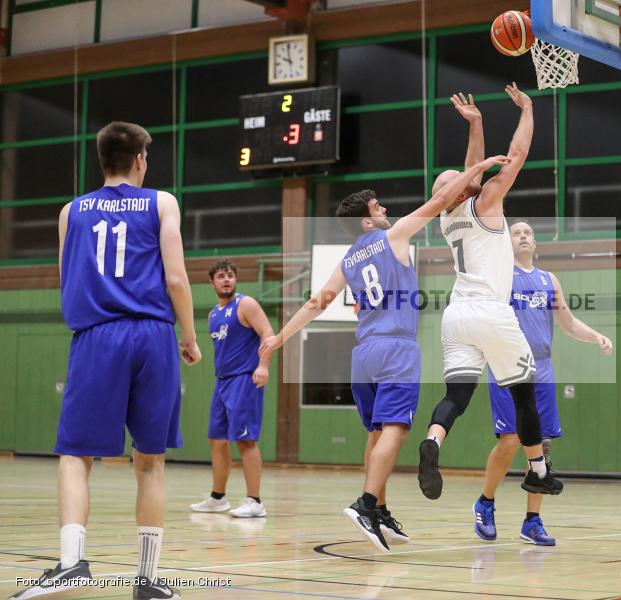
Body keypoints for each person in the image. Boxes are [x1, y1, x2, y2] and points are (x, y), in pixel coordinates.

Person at [259, 155, 509, 553]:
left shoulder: (348, 258)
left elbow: (316, 303)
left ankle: (379, 507)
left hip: (364, 353)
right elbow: (442, 198)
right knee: (396, 429)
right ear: (366, 221)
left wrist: (278, 338)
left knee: (377, 432)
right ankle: (366, 504)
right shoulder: (392, 238)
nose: (386, 210)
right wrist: (476, 170)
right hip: (396, 348)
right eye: (378, 208)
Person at [12, 122, 202, 600]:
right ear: (141, 159)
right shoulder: (162, 202)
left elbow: (66, 276)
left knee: (76, 455)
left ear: (102, 161)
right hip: (153, 334)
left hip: (96, 337)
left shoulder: (70, 212)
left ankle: (72, 561)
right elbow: (177, 279)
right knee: (150, 461)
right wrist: (190, 336)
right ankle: (148, 581)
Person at [418, 84, 564, 501]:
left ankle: (433, 440)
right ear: (466, 187)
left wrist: (477, 124)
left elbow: (469, 170)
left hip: (456, 316)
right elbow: (516, 156)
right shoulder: (487, 203)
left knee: (457, 394)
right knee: (525, 392)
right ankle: (538, 470)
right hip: (490, 313)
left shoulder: (448, 217)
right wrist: (528, 110)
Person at [474, 219, 614, 546]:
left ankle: (532, 521)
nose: (523, 236)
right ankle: (486, 502)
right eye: (516, 233)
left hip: (543, 368)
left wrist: (595, 336)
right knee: (511, 439)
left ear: (535, 243)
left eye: (528, 233)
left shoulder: (548, 280)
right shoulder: (499, 278)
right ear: (506, 243)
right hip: (508, 365)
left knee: (542, 446)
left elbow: (567, 320)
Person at [190, 260, 272, 518]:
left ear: (236, 279)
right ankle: (218, 497)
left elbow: (267, 333)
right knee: (217, 440)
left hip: (244, 379)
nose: (226, 280)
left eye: (230, 276)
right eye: (221, 276)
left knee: (245, 440)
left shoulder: (245, 304)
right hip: (222, 381)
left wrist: (263, 366)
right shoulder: (214, 314)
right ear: (212, 282)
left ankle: (255, 501)